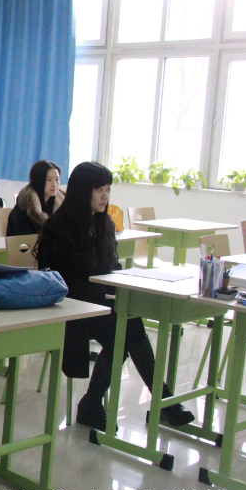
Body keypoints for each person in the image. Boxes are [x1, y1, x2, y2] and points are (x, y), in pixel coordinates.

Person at [35, 161, 195, 432]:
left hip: (99, 304)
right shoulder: (58, 226)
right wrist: (104, 295)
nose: (105, 196)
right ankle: (160, 401)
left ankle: (98, 403)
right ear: (83, 190)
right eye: (99, 190)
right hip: (69, 307)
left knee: (128, 326)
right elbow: (59, 281)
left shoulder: (104, 223)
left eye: (108, 189)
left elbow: (111, 268)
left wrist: (118, 289)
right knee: (128, 328)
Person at [7, 160, 63, 236]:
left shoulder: (59, 203)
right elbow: (25, 240)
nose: (55, 184)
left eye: (57, 179)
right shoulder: (23, 207)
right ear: (38, 181)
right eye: (49, 180)